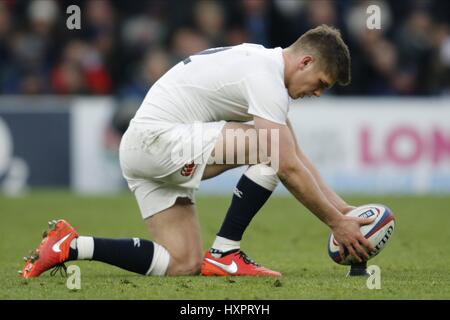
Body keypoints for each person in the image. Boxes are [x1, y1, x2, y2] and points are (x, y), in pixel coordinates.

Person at [20, 25, 375, 279]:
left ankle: (71, 245)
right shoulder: (265, 76)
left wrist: (344, 211)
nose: (316, 93)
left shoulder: (262, 67)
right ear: (306, 62)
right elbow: (284, 163)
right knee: (270, 151)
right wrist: (334, 223)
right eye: (321, 85)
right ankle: (225, 253)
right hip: (158, 141)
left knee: (182, 263)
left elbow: (294, 154)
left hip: (145, 149)